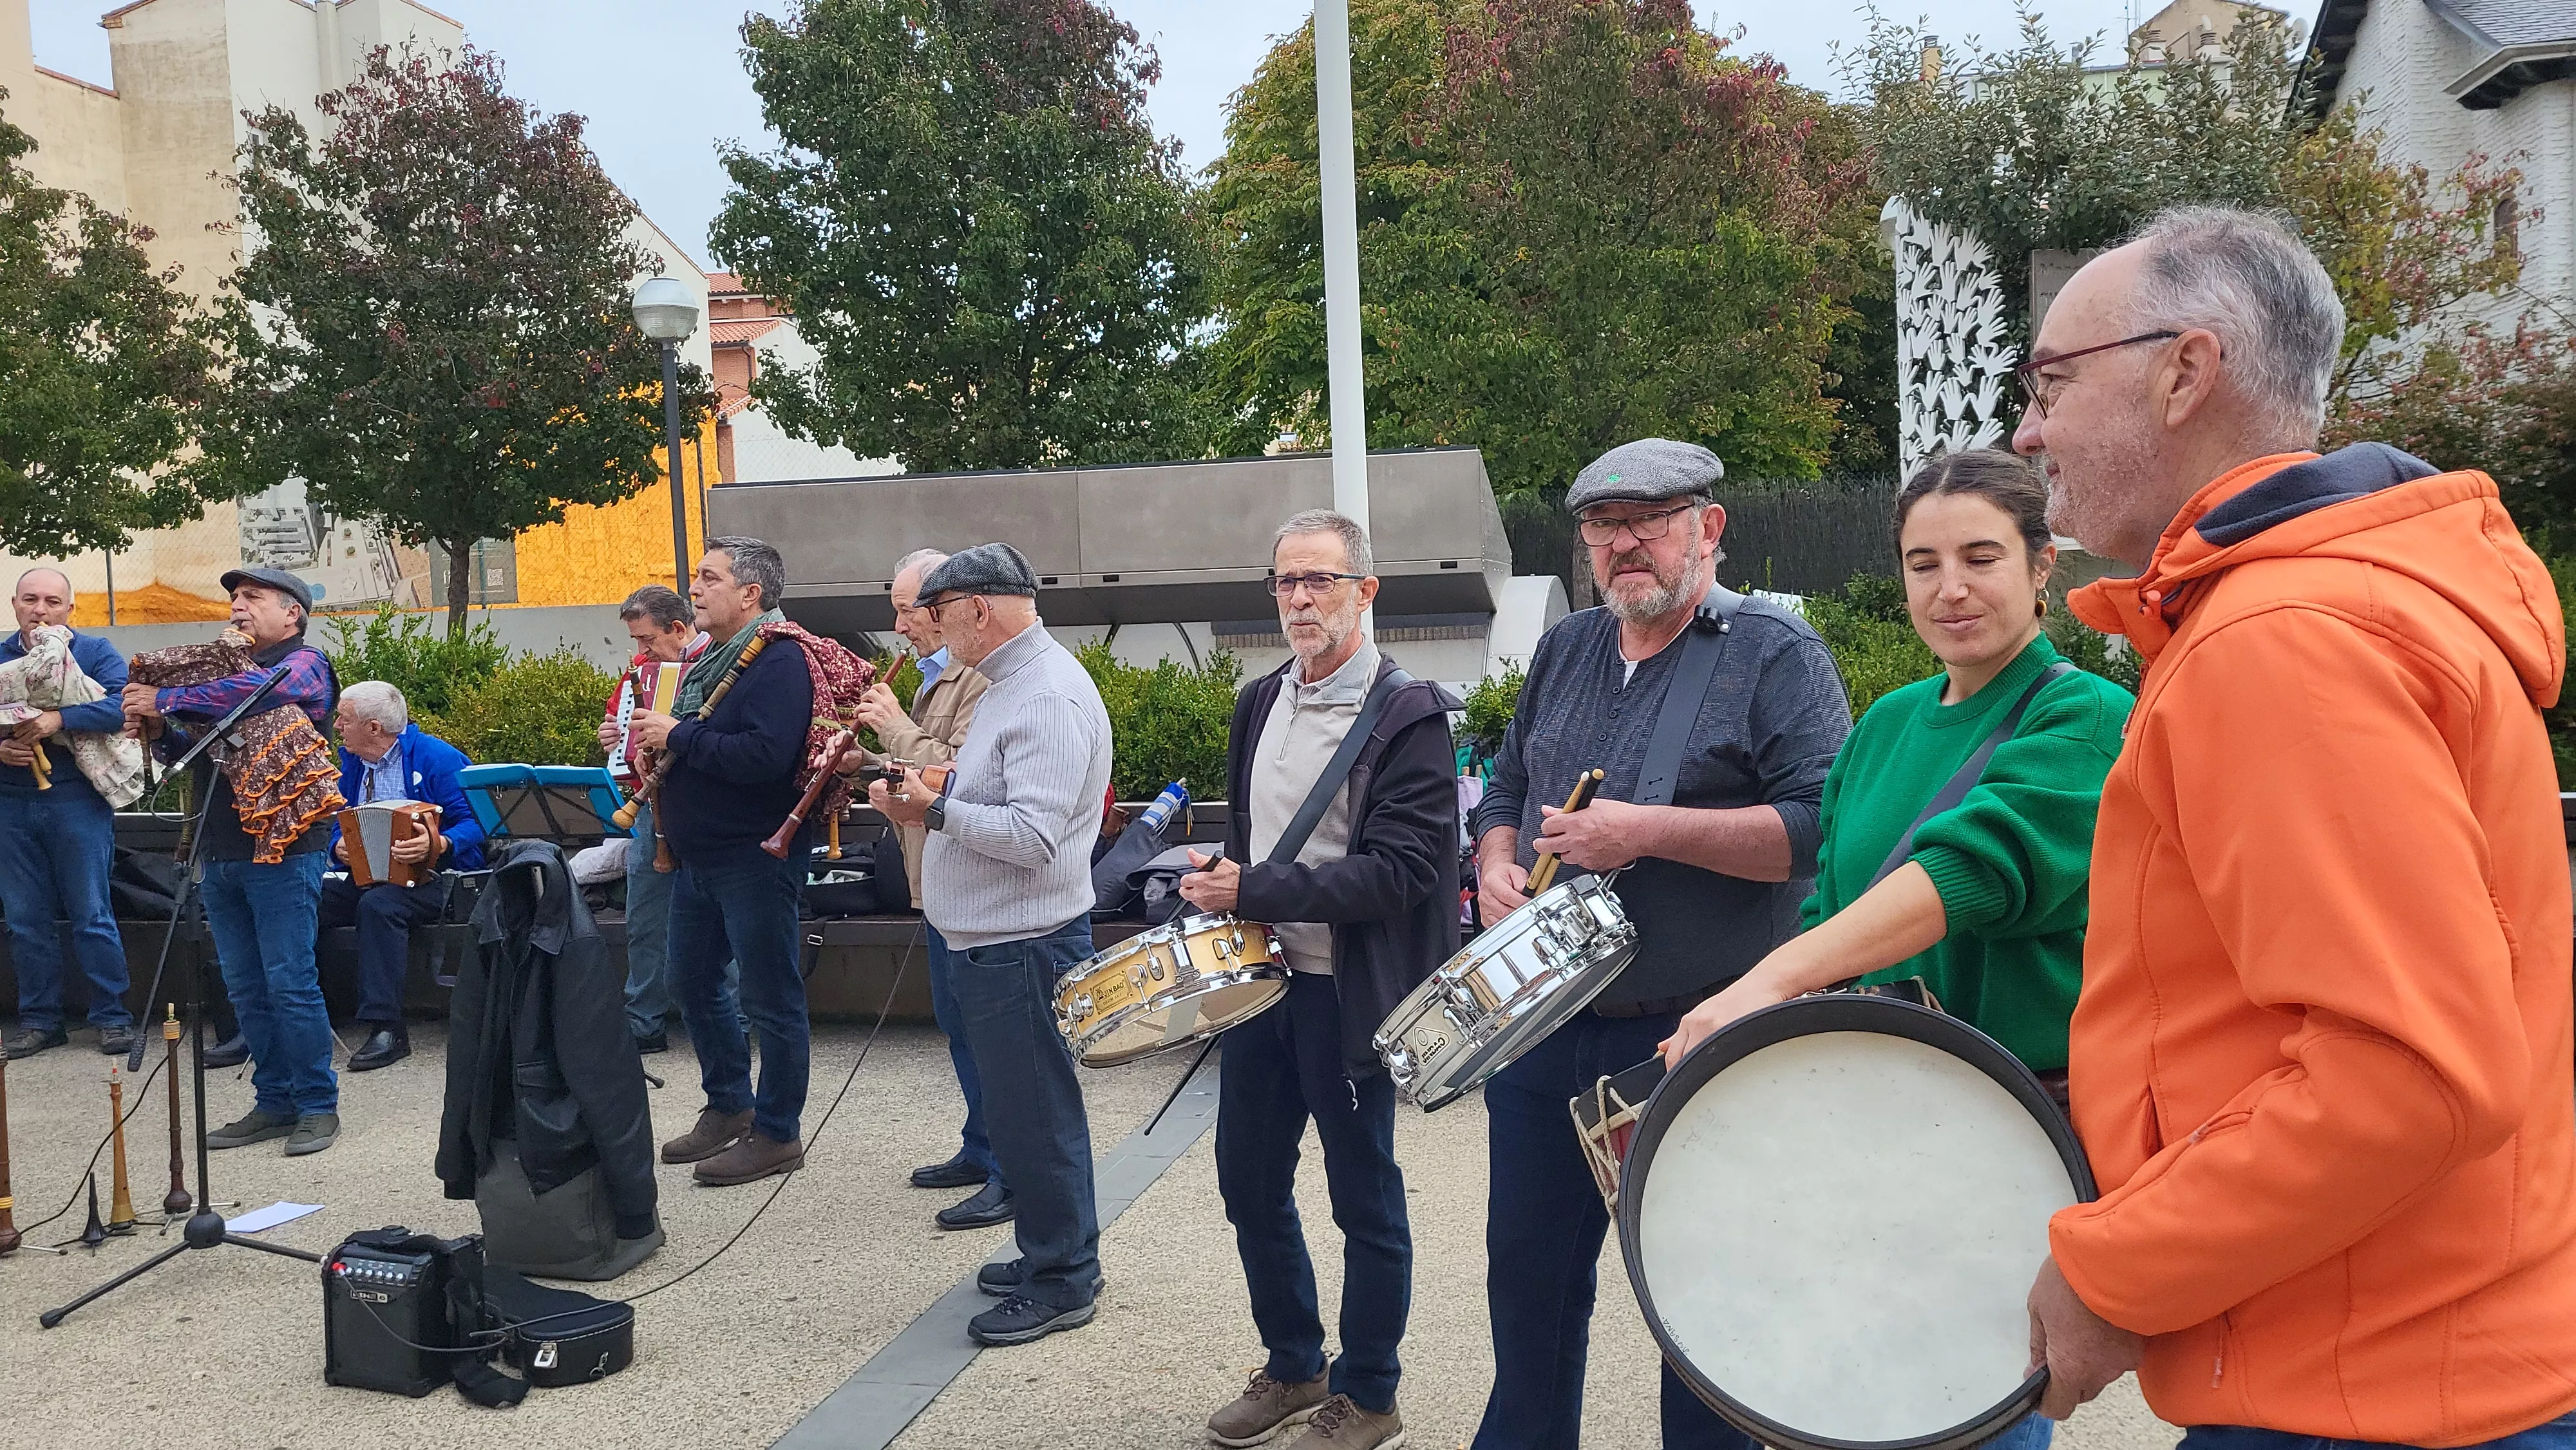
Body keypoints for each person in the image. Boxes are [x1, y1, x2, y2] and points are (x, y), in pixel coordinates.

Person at [2011, 207, 2576, 1447]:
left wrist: (2117, 1272)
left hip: (2373, 1390)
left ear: (2184, 373)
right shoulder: (2322, 607)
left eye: (2052, 379)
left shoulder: (2277, 638)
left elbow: (2408, 1071)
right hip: (2413, 1359)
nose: (2028, 427)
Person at [1660, 449, 2133, 1450]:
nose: (1950, 588)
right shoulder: (1881, 727)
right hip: (1868, 1123)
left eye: (1981, 556)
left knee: (1959, 1405)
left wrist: (1763, 983)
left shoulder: (2086, 717)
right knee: (1840, 1390)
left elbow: (1976, 870)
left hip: (2005, 1137)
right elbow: (1829, 905)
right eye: (1923, 563)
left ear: (2044, 565)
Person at [1466, 438, 1852, 1450]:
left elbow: (1822, 830)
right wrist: (1494, 862)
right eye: (1603, 526)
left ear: (1709, 530)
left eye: (1648, 521)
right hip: (1547, 1027)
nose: (1623, 543)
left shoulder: (1774, 652)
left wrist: (1646, 832)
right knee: (1530, 1281)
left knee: (1706, 1299)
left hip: (1699, 1036)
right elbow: (1505, 785)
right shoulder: (1568, 648)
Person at [1176, 511, 1461, 1450]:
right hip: (1261, 985)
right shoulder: (1260, 700)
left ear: (1365, 592)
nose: (1300, 599)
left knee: (1363, 1199)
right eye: (1286, 582)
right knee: (1248, 1185)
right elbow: (1260, 842)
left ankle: (1370, 1393)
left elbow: (1404, 871)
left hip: (1349, 993)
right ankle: (1296, 1365)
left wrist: (1255, 882)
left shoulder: (1408, 713)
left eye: (1321, 581)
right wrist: (1227, 889)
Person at [869, 541, 1112, 1348]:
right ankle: (1054, 1250)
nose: (931, 631)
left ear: (979, 608)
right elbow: (998, 798)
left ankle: (1062, 1277)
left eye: (936, 614)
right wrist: (931, 792)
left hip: (1023, 941)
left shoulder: (1042, 697)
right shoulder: (1012, 684)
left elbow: (1034, 836)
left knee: (1036, 1117)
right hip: (998, 937)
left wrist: (928, 814)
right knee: (1023, 1114)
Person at [123, 567, 343, 1157]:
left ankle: (318, 1106)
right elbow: (192, 746)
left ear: (292, 612)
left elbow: (257, 696)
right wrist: (159, 726)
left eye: (252, 597)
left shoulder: (305, 666)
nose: (237, 607)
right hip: (218, 845)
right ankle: (273, 1102)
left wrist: (164, 696)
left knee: (290, 982)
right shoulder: (218, 680)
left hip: (287, 846)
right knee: (245, 985)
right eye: (234, 598)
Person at [627, 538, 826, 1188]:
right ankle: (729, 1102)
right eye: (696, 577)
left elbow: (766, 756)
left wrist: (678, 736)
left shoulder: (780, 658)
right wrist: (657, 753)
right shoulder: (713, 659)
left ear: (751, 593)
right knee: (690, 981)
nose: (696, 589)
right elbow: (702, 744)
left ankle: (776, 1131)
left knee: (770, 997)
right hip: (699, 856)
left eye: (710, 578)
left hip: (755, 855)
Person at [837, 548, 1001, 1228]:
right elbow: (916, 765)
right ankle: (981, 1144)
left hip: (974, 879)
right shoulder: (939, 674)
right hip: (935, 875)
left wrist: (893, 728)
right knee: (955, 1021)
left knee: (985, 1030)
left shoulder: (983, 676)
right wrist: (865, 760)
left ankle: (1003, 1165)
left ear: (943, 607)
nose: (900, 623)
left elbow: (962, 772)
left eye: (908, 608)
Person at [0, 569, 135, 1059]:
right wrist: (3, 750)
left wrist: (58, 719)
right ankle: (41, 1020)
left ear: (70, 610)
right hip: (10, 802)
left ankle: (113, 1017)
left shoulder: (95, 653)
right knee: (24, 918)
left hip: (76, 799)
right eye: (31, 599)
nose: (41, 609)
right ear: (15, 604)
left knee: (91, 913)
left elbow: (123, 708)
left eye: (52, 602)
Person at [321, 680, 486, 1071]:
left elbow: (481, 821)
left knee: (380, 906)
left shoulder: (437, 758)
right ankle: (309, 1012)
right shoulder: (352, 765)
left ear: (374, 728)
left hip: (438, 877)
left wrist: (440, 843)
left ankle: (387, 1028)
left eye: (344, 720)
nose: (337, 727)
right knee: (308, 900)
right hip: (367, 874)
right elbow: (335, 822)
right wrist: (337, 848)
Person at [596, 583, 711, 1053]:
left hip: (707, 802)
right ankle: (643, 1019)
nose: (640, 651)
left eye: (646, 640)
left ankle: (732, 1018)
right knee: (645, 912)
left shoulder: (719, 660)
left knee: (719, 912)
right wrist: (613, 733)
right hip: (651, 802)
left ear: (679, 629)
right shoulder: (641, 670)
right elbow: (622, 723)